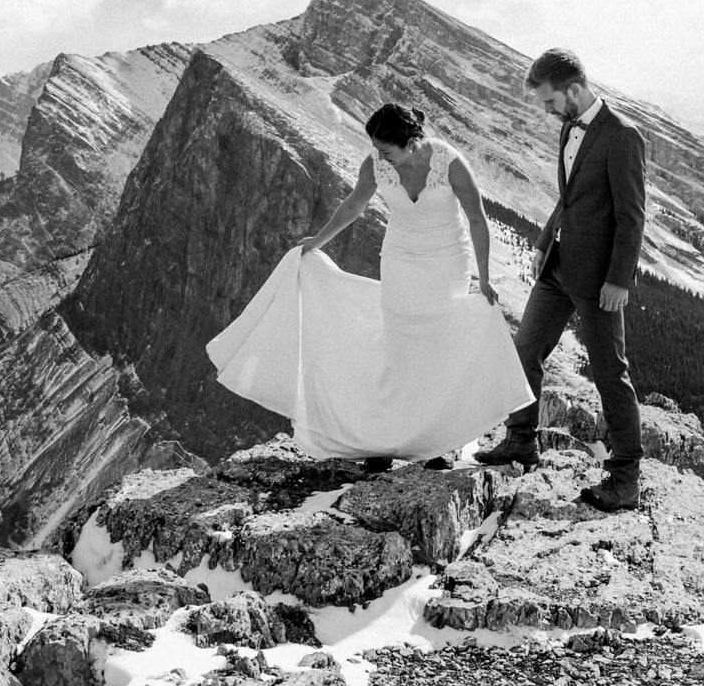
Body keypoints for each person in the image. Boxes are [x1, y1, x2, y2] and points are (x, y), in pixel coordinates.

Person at [206, 103, 533, 471]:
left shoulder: (449, 162)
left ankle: (435, 443)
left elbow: (477, 219)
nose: (380, 157)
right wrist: (317, 242)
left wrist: (485, 278)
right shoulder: (375, 165)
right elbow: (353, 206)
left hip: (447, 262)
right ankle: (382, 439)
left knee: (435, 349)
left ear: (411, 142)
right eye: (376, 149)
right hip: (400, 260)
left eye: (386, 150)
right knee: (397, 348)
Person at [474, 48, 648, 512]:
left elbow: (631, 217)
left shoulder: (622, 136)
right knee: (525, 351)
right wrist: (543, 240)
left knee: (610, 373)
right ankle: (520, 441)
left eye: (550, 102)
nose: (547, 112)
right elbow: (570, 197)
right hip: (556, 266)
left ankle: (625, 477)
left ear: (573, 90)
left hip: (598, 279)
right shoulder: (571, 128)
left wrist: (620, 279)